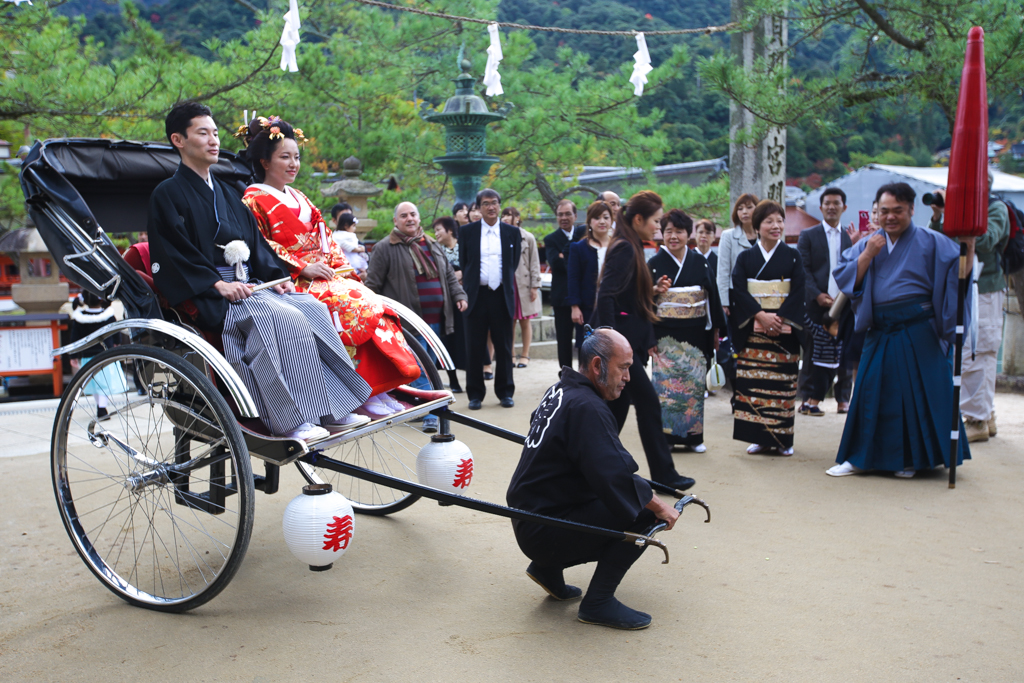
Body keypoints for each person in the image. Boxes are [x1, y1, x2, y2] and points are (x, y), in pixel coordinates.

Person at [148, 102, 371, 441]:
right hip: (211, 295)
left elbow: (256, 244)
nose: (213, 141)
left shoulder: (226, 192)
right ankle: (290, 419)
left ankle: (333, 409)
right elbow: (173, 253)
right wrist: (215, 283)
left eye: (216, 133)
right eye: (202, 133)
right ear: (178, 140)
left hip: (248, 286)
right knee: (280, 318)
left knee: (311, 307)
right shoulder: (167, 194)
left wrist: (272, 279)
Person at [240, 116, 421, 420]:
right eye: (285, 157)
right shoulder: (252, 200)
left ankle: (381, 386)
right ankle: (359, 392)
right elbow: (260, 244)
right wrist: (302, 267)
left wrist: (343, 271)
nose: (293, 164)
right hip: (289, 280)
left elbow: (326, 241)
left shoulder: (301, 198)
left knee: (368, 300)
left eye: (296, 157)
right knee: (347, 308)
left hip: (324, 275)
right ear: (265, 161)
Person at [506, 327, 681, 630]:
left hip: (530, 519)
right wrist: (659, 507)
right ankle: (598, 602)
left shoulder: (560, 390)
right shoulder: (587, 407)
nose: (628, 377)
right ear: (598, 365)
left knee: (620, 493)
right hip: (546, 531)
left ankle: (547, 571)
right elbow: (616, 476)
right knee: (642, 512)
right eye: (624, 368)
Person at [827, 182, 972, 478]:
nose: (890, 217)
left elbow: (959, 269)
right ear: (876, 212)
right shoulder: (869, 243)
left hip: (917, 329)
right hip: (879, 330)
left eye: (898, 211)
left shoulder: (933, 241)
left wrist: (968, 251)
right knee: (868, 392)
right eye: (884, 211)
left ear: (911, 210)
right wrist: (867, 254)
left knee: (913, 395)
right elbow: (844, 277)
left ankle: (910, 459)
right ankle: (857, 458)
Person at [591, 190, 695, 491]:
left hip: (625, 341)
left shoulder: (631, 244)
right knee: (648, 403)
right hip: (619, 345)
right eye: (656, 221)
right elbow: (606, 295)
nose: (659, 228)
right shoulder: (625, 247)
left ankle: (592, 466)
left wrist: (652, 291)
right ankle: (664, 475)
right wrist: (611, 343)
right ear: (638, 219)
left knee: (615, 412)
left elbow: (624, 296)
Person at [364, 202, 469, 431]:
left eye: (413, 214)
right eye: (403, 215)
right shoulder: (385, 248)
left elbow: (449, 275)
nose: (409, 218)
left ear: (419, 218)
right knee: (420, 366)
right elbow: (372, 285)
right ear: (396, 221)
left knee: (428, 364)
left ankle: (421, 406)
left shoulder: (432, 243)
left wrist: (459, 295)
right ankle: (432, 413)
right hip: (408, 322)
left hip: (435, 318)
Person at [929, 177, 1009, 442]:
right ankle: (986, 415)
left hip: (985, 287)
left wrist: (962, 214)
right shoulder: (957, 208)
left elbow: (986, 241)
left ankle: (977, 419)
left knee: (979, 350)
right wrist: (940, 215)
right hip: (961, 285)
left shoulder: (995, 208)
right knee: (966, 351)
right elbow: (938, 241)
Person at [730, 199, 806, 457]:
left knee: (782, 386)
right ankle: (758, 438)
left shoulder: (793, 256)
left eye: (780, 220)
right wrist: (761, 315)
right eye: (769, 221)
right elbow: (739, 289)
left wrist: (780, 318)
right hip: (754, 329)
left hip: (783, 331)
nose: (777, 226)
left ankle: (783, 439)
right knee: (754, 385)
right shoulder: (745, 257)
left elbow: (798, 291)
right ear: (758, 226)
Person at [648, 209, 726, 453]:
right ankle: (668, 437)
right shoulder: (654, 264)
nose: (673, 236)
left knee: (692, 385)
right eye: (668, 231)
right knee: (667, 387)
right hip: (664, 333)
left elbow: (712, 298)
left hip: (695, 331)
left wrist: (714, 332)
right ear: (662, 233)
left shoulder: (700, 262)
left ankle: (694, 437)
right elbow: (644, 302)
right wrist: (648, 336)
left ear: (687, 234)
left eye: (679, 231)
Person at [459, 189, 522, 409]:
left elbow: (512, 265)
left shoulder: (512, 233)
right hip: (476, 296)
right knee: (474, 346)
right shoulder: (467, 232)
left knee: (504, 346)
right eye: (485, 203)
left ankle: (505, 392)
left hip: (502, 295)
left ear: (499, 204)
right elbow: (465, 262)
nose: (491, 207)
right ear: (478, 208)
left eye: (494, 203)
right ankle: (475, 394)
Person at [796, 187, 853, 415]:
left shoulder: (851, 237)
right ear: (820, 208)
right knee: (812, 351)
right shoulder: (808, 235)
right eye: (827, 203)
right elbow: (802, 269)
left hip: (845, 302)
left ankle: (843, 399)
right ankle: (809, 397)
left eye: (836, 203)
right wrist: (817, 294)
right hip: (815, 303)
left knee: (846, 351)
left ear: (844, 207)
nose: (831, 207)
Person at [68, 291, 128, 419]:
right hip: (105, 355)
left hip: (87, 356)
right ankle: (102, 408)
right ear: (101, 300)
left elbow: (75, 338)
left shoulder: (79, 318)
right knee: (104, 384)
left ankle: (100, 406)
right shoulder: (108, 315)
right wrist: (117, 344)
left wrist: (73, 356)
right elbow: (115, 331)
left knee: (94, 383)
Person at [568, 201, 614, 360]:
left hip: (614, 308)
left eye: (606, 217)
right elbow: (573, 278)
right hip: (587, 307)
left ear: (612, 220)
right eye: (597, 217)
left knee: (613, 350)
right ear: (589, 221)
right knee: (588, 350)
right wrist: (575, 306)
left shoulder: (618, 246)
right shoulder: (578, 247)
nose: (602, 221)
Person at [544, 200, 586, 370]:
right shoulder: (551, 239)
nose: (564, 218)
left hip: (583, 297)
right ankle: (566, 376)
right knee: (563, 340)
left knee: (586, 340)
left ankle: (586, 375)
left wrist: (565, 255)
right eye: (560, 214)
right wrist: (574, 252)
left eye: (568, 214)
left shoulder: (586, 234)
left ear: (575, 216)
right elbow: (556, 264)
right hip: (561, 297)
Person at [504, 207, 541, 368]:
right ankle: (511, 354)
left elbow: (534, 262)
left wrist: (535, 286)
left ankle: (525, 355)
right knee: (509, 322)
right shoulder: (501, 235)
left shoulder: (528, 237)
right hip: (508, 283)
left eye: (509, 215)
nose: (505, 218)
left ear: (518, 218)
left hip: (524, 285)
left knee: (525, 321)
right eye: (503, 215)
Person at [432, 215, 466, 393]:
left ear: (450, 230)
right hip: (446, 303)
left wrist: (462, 275)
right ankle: (453, 380)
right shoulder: (436, 250)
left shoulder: (464, 247)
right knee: (448, 342)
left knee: (466, 340)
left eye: (439, 229)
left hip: (465, 300)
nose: (436, 233)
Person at [717, 194, 759, 319]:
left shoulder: (764, 235)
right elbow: (723, 270)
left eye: (749, 207)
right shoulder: (728, 236)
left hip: (760, 293)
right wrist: (724, 302)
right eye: (740, 209)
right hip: (735, 294)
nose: (744, 212)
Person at [803, 310, 843, 413]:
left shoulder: (841, 335)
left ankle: (807, 403)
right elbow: (807, 323)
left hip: (834, 366)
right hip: (820, 366)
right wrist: (802, 308)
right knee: (821, 387)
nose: (838, 330)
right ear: (825, 327)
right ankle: (813, 407)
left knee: (826, 387)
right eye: (835, 328)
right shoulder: (819, 332)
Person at [332, 213, 368, 278]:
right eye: (353, 226)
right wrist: (360, 249)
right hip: (348, 259)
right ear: (346, 226)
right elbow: (350, 248)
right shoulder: (340, 236)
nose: (355, 228)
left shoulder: (336, 234)